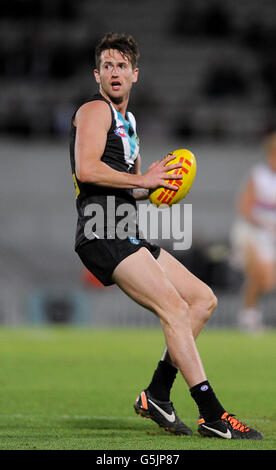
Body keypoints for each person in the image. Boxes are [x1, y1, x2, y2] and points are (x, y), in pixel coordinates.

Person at [70, 32, 263, 440]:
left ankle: (157, 393)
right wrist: (142, 178)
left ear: (135, 74)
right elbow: (86, 169)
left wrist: (156, 187)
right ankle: (212, 414)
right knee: (175, 309)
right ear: (97, 75)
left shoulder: (129, 123)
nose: (114, 71)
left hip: (124, 228)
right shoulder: (94, 110)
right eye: (107, 65)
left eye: (122, 65)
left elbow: (132, 187)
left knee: (201, 300)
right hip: (101, 230)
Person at [231, 132, 276, 331]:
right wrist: (263, 221)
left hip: (269, 236)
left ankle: (250, 311)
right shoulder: (259, 175)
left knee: (267, 283)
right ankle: (248, 316)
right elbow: (244, 207)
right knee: (258, 273)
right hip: (251, 231)